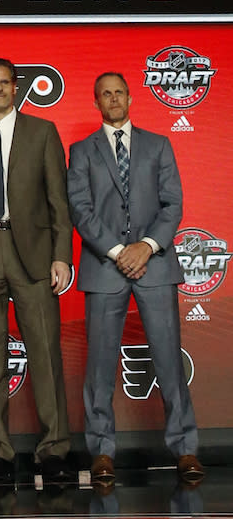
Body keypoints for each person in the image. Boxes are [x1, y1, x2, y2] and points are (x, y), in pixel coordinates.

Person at [67, 72, 203, 488]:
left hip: (155, 265)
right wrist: (116, 252)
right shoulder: (81, 150)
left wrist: (145, 246)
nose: (112, 99)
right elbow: (80, 208)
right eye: (104, 94)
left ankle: (185, 450)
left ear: (130, 97)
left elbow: (172, 203)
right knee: (100, 368)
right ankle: (102, 453)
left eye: (118, 92)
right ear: (96, 103)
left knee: (168, 361)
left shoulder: (159, 145)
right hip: (105, 267)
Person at [0, 57, 73, 485]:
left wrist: (61, 254)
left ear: (16, 86)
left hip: (33, 248)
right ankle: (0, 453)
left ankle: (54, 449)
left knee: (44, 350)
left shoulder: (42, 132)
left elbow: (58, 201)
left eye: (5, 82)